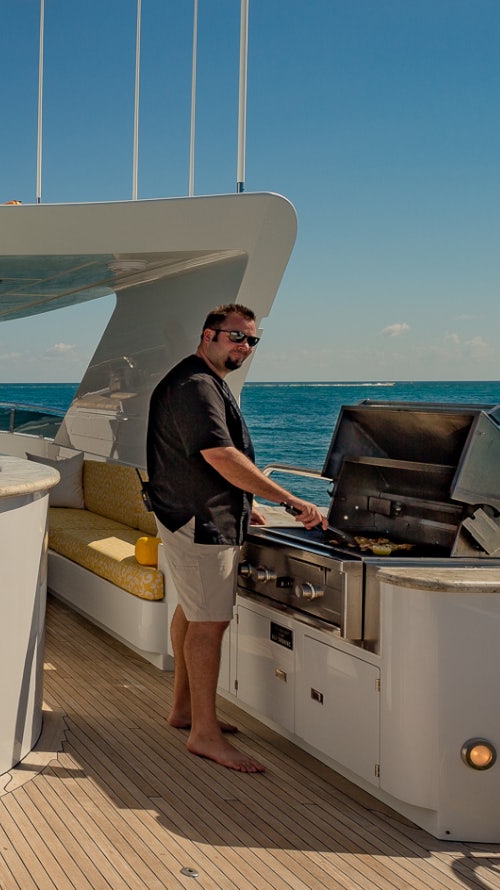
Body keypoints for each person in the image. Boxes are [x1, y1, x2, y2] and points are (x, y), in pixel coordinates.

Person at [146, 305, 325, 772]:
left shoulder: (200, 379)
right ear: (208, 335)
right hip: (200, 523)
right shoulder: (196, 386)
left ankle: (185, 711)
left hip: (195, 516)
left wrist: (249, 505)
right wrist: (293, 501)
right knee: (210, 624)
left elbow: (212, 465)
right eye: (235, 337)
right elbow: (221, 457)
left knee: (193, 611)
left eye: (251, 340)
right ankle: (204, 734)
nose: (244, 346)